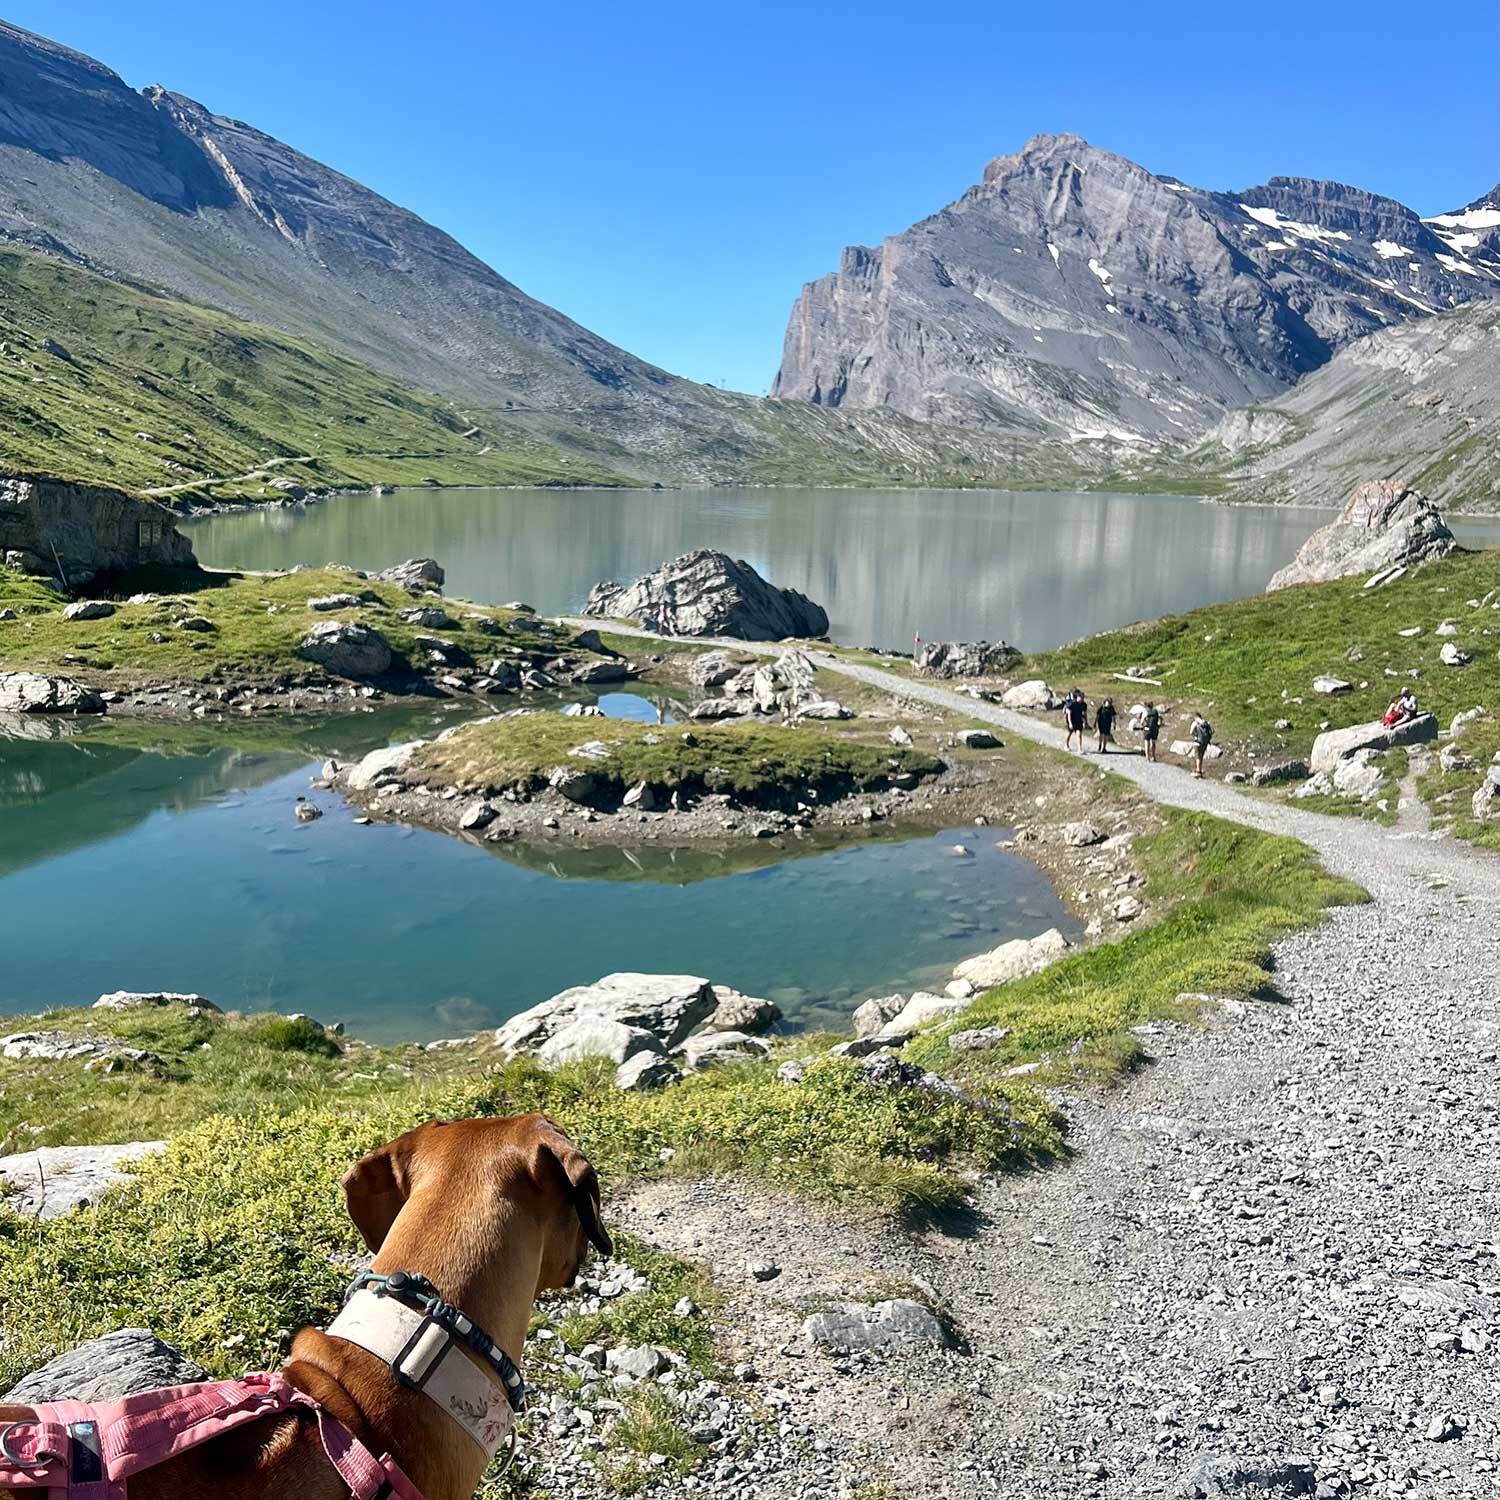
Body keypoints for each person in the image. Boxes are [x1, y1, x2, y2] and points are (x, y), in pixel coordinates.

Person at [1189, 712, 1214, 778]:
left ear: (1195, 717)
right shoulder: (1206, 723)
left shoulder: (1195, 723)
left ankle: (1198, 771)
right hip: (1204, 743)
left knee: (1197, 757)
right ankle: (1199, 770)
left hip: (1197, 742)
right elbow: (1212, 731)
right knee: (1201, 756)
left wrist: (1195, 734)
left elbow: (1191, 732)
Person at [1064, 687, 1088, 751]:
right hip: (1071, 719)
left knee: (1079, 734)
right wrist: (1070, 723)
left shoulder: (1084, 705)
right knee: (1070, 733)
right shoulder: (1072, 704)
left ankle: (1079, 749)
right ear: (1077, 697)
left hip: (1079, 720)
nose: (1081, 699)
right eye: (1080, 697)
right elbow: (1069, 714)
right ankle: (1066, 744)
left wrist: (1086, 722)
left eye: (1083, 698)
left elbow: (1085, 714)